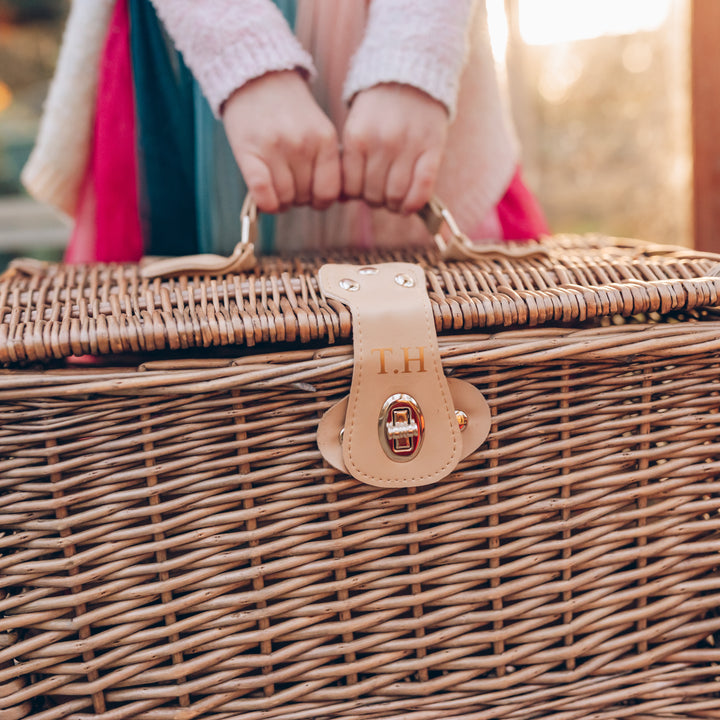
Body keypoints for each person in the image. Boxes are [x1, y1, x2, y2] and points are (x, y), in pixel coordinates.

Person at [21, 0, 548, 263]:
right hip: (188, 71)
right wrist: (244, 59)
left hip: (414, 66)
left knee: (457, 317)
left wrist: (412, 58)